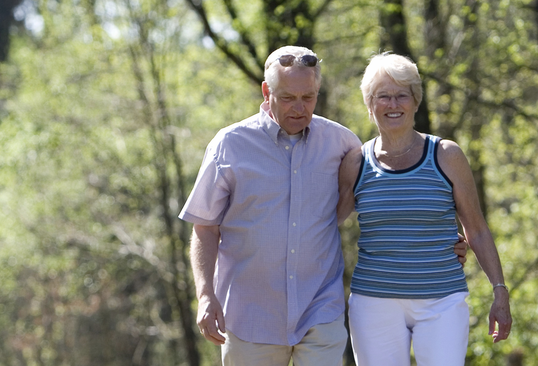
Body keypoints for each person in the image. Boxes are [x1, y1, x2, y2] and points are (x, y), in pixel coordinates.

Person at [179, 46, 467, 366]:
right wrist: (206, 295)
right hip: (250, 317)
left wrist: (441, 241)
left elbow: (385, 200)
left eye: (309, 97)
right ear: (266, 91)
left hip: (320, 312)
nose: (300, 108)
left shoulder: (343, 144)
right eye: (288, 97)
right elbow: (205, 226)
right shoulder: (229, 145)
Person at [336, 52, 512, 366]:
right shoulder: (355, 162)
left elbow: (477, 229)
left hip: (442, 301)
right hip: (374, 302)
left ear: (416, 101)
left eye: (402, 95)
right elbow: (325, 225)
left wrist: (500, 290)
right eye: (383, 96)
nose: (393, 104)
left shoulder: (446, 155)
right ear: (369, 104)